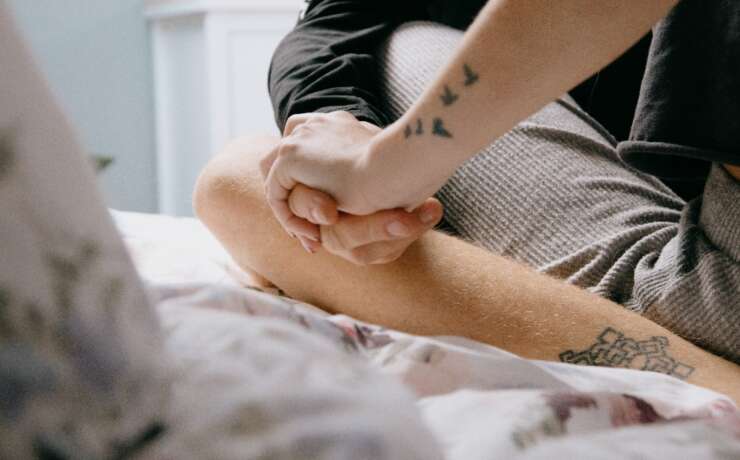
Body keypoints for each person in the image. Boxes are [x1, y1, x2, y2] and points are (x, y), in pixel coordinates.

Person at [194, 0, 740, 400]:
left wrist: (385, 165)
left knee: (238, 184)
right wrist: (346, 126)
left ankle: (708, 379)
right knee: (243, 182)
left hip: (713, 294)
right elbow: (333, 26)